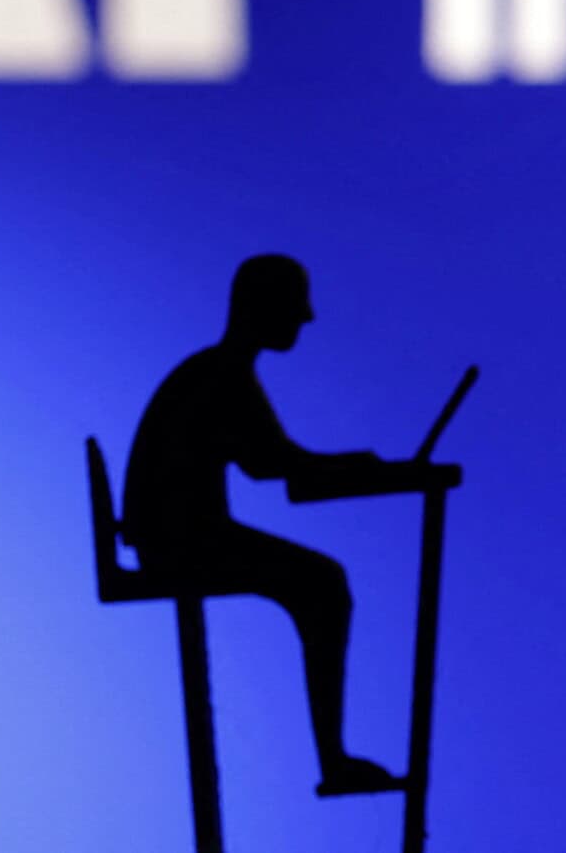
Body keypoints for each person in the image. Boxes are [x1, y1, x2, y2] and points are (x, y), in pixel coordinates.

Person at [121, 254, 399, 797]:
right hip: (181, 541)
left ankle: (334, 758)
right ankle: (333, 761)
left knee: (322, 583)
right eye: (297, 302)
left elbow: (268, 461)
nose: (308, 316)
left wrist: (350, 467)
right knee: (324, 585)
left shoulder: (221, 370)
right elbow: (273, 463)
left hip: (180, 534)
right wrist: (358, 466)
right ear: (262, 306)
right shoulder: (222, 374)